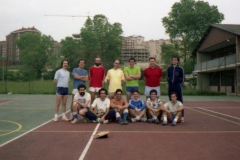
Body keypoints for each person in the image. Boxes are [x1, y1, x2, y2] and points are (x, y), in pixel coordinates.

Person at [167, 56, 185, 122]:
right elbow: (168, 77)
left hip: (177, 85)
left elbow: (183, 79)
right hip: (171, 85)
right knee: (171, 100)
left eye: (175, 60)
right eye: (173, 59)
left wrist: (179, 83)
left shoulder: (180, 69)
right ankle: (171, 115)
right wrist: (170, 82)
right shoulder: (169, 68)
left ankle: (182, 116)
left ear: (177, 61)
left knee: (180, 100)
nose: (174, 61)